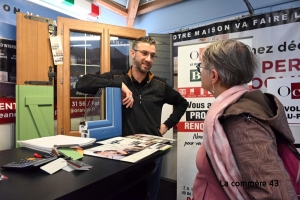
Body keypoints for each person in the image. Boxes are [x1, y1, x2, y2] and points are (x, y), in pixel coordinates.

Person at [76, 36, 188, 200]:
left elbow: (182, 103)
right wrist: (119, 86)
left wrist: (166, 126)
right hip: (122, 155)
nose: (148, 59)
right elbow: (82, 83)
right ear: (133, 53)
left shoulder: (160, 85)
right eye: (144, 53)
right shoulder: (116, 78)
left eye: (152, 55)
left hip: (152, 154)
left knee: (150, 196)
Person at [193, 39, 297, 199]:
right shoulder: (236, 107)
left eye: (201, 67)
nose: (200, 71)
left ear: (214, 75)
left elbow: (276, 192)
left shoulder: (240, 119)